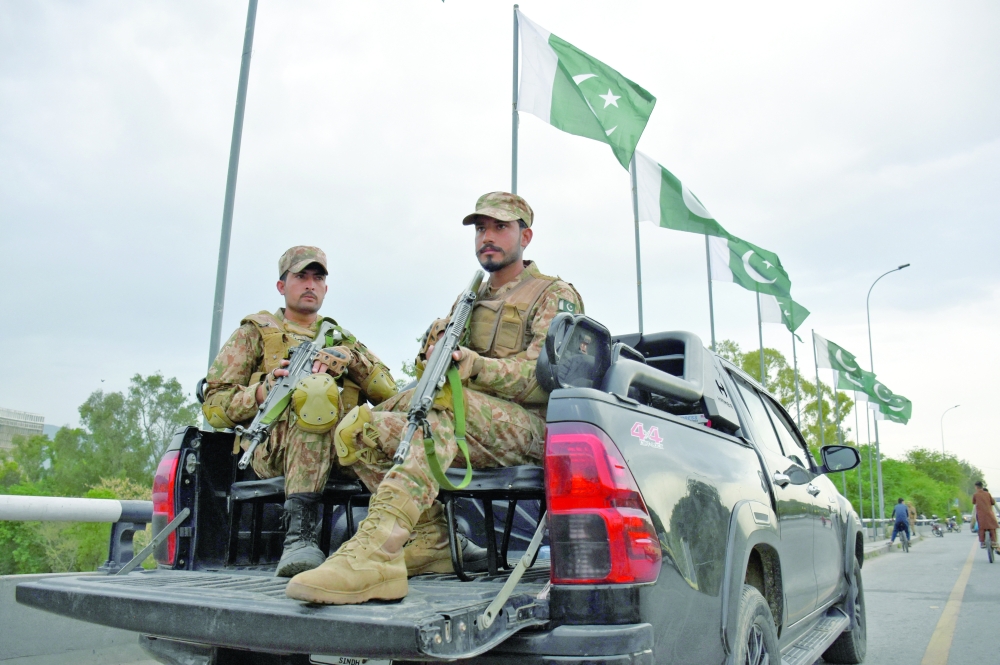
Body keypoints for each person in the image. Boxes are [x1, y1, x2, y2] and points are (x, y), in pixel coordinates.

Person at [286, 192, 584, 605]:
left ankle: (377, 551)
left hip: (530, 429)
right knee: (358, 428)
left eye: (500, 227)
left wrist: (477, 366)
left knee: (440, 405)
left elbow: (545, 377)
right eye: (481, 228)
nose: (487, 237)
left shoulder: (553, 294)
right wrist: (433, 351)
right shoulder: (469, 300)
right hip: (465, 421)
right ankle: (431, 541)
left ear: (526, 236)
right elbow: (434, 375)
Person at [203, 246, 398, 577]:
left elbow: (388, 393)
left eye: (317, 278)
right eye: (301, 277)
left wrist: (349, 358)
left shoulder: (341, 337)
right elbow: (215, 408)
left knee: (406, 414)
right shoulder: (255, 333)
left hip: (341, 450)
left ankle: (418, 531)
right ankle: (299, 539)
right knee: (317, 394)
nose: (310, 284)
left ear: (325, 287)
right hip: (272, 447)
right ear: (282, 286)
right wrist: (263, 390)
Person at [972, 481, 998, 549]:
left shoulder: (975, 495)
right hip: (989, 514)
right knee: (992, 527)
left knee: (981, 528)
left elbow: (973, 502)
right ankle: (994, 542)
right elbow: (993, 502)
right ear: (982, 486)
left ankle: (982, 542)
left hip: (981, 515)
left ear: (976, 487)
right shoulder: (987, 494)